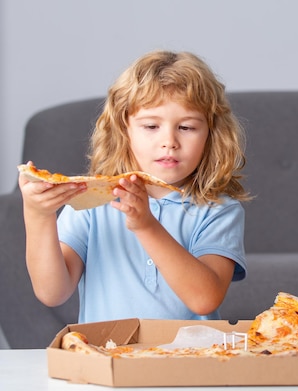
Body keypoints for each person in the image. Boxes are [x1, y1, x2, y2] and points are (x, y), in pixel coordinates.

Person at [19, 50, 249, 323]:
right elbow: (52, 292)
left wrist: (146, 225)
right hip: (107, 358)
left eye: (186, 127)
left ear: (212, 135)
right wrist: (38, 216)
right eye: (151, 126)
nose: (169, 141)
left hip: (186, 362)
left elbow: (204, 298)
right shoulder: (92, 202)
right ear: (123, 129)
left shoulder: (218, 211)